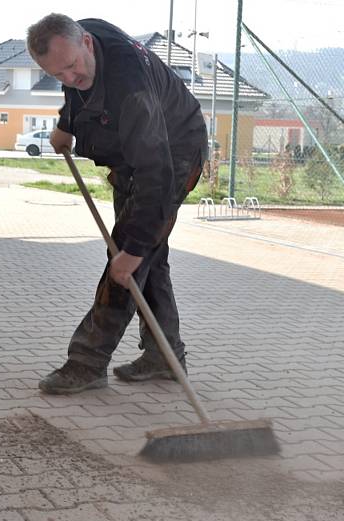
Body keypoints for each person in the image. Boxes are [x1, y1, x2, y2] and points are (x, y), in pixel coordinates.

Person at [26, 14, 208, 394]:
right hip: (134, 153)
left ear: (88, 43)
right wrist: (66, 122)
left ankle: (87, 363)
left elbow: (156, 179)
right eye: (59, 76)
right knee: (148, 258)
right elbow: (78, 89)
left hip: (174, 153)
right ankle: (164, 356)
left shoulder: (132, 90)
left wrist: (134, 249)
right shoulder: (78, 39)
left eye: (73, 66)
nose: (71, 79)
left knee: (127, 258)